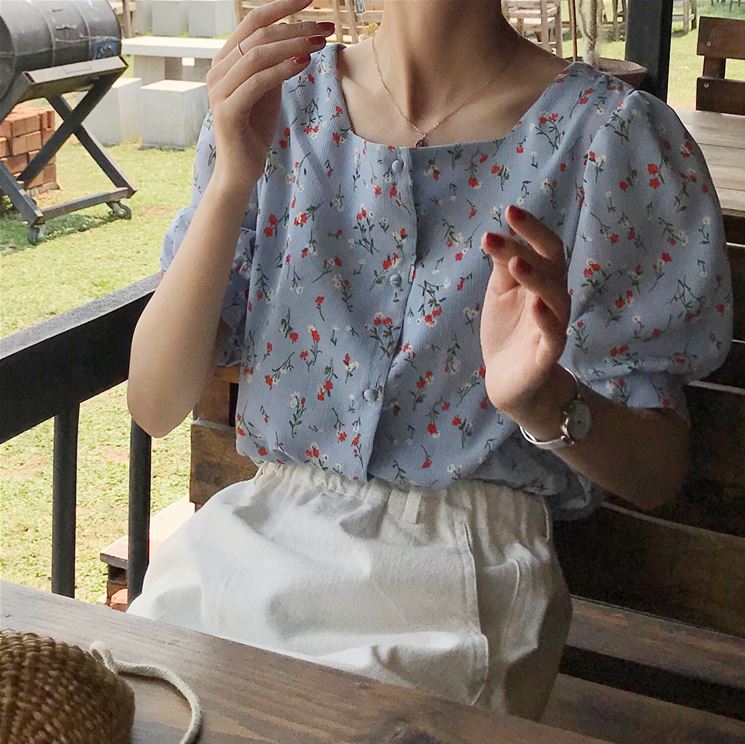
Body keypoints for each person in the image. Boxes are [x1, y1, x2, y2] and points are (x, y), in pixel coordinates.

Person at [126, 0, 733, 721]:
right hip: (247, 547)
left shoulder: (609, 139)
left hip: (459, 574)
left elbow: (657, 472)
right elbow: (155, 404)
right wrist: (233, 177)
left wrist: (544, 402)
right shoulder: (278, 106)